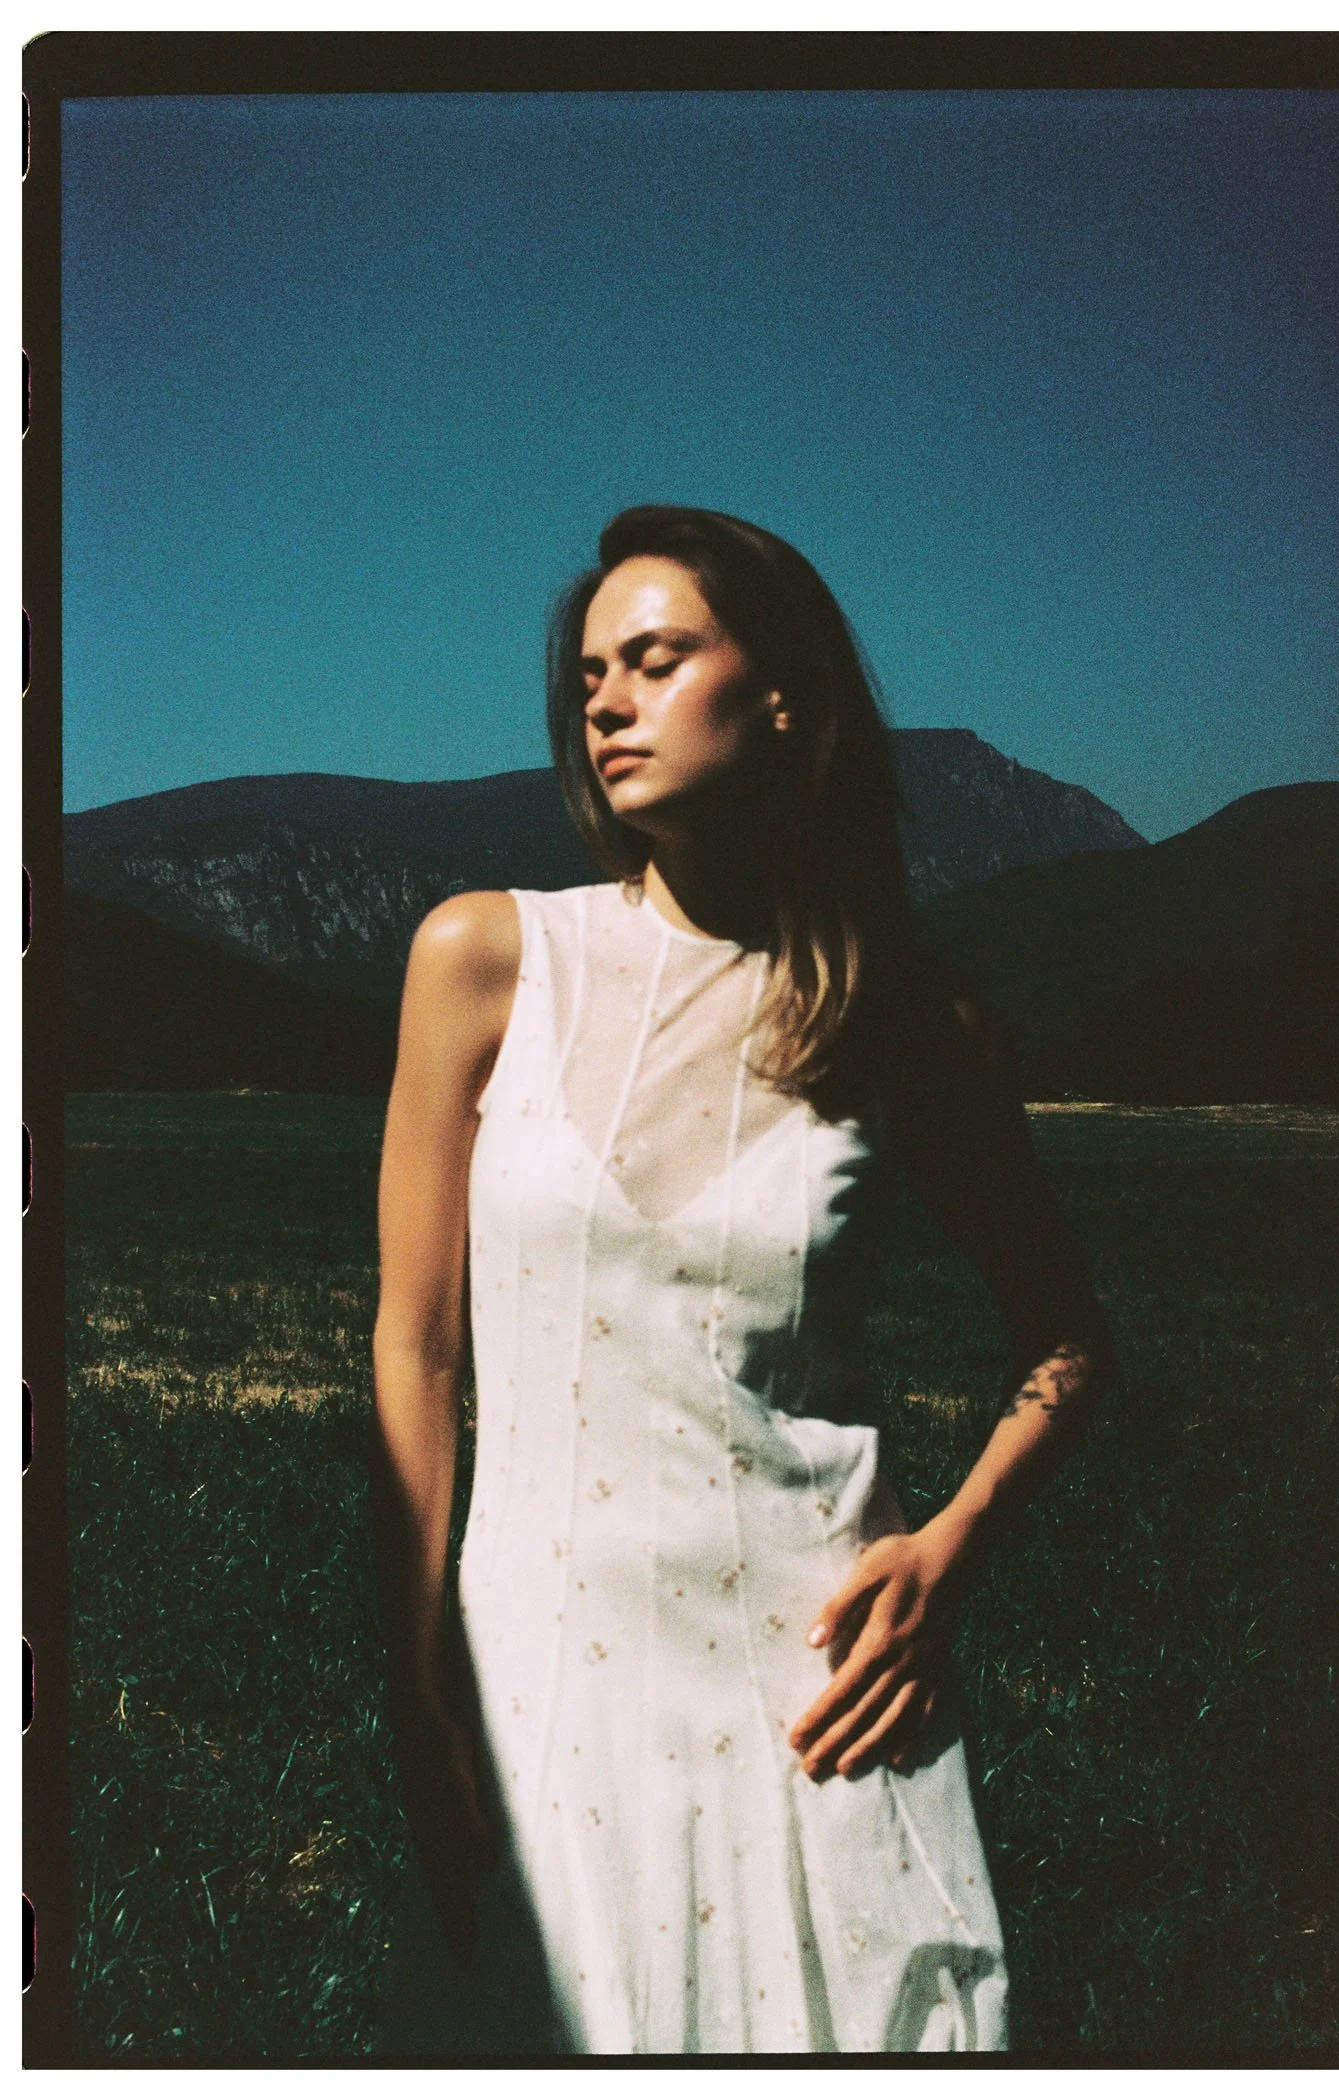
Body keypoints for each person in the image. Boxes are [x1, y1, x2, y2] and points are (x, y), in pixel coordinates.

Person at [370, 506, 1112, 2056]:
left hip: (818, 1702)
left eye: (653, 659)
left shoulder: (913, 1022)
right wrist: (415, 1665)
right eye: (589, 676)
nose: (604, 702)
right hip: (539, 1681)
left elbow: (1067, 1337)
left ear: (779, 695)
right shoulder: (484, 959)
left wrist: (954, 1547)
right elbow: (419, 1341)